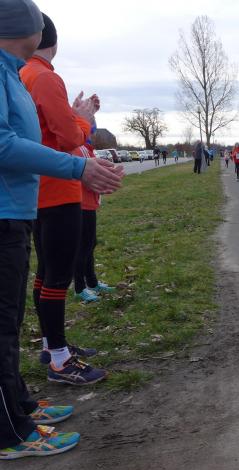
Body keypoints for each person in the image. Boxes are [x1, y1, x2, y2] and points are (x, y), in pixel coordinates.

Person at [0, 0, 123, 459]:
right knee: (17, 310)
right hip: (34, 200)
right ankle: (13, 429)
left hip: (24, 203)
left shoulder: (16, 74)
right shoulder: (38, 75)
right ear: (33, 32)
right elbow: (52, 139)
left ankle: (20, 406)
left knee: (15, 313)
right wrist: (81, 126)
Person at [21, 12, 109, 384]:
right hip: (59, 187)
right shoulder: (45, 76)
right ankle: (59, 359)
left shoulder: (22, 75)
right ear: (52, 42)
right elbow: (70, 137)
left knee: (45, 271)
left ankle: (50, 345)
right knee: (58, 274)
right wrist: (83, 118)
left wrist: (73, 114)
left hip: (36, 188)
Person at [73, 135, 115, 303]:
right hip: (82, 204)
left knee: (90, 244)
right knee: (83, 247)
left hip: (88, 203)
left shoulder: (87, 149)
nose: (94, 133)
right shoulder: (79, 148)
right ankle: (79, 288)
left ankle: (92, 282)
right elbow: (86, 176)